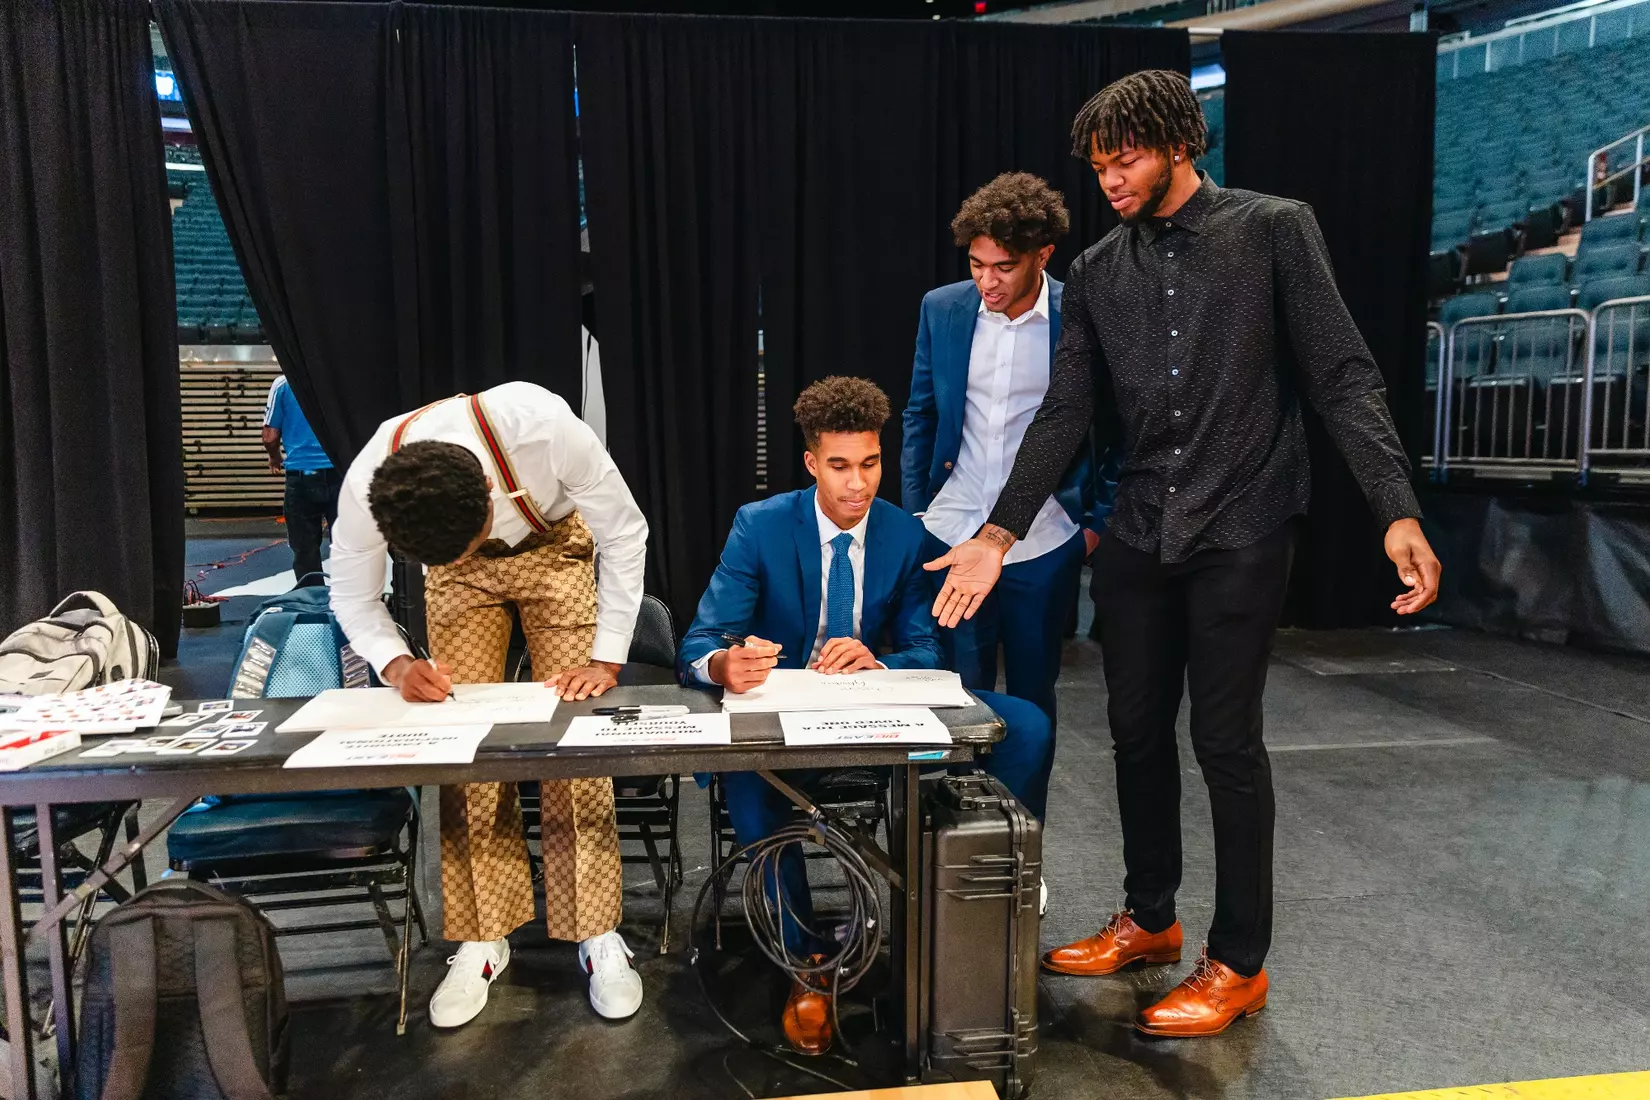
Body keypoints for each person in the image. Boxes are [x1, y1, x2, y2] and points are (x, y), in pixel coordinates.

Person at [925, 70, 1443, 1039]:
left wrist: (1394, 508)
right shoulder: (1102, 272)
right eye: (1098, 165)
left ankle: (1239, 961)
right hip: (1139, 528)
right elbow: (1068, 409)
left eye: (1123, 158)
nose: (1109, 179)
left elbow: (1340, 372)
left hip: (1243, 522)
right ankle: (1151, 916)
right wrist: (996, 532)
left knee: (1225, 742)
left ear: (1176, 142)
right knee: (1130, 732)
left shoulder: (1273, 227)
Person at [678, 376, 1054, 1057]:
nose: (859, 483)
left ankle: (979, 911)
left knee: (1025, 723)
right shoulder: (759, 526)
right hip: (786, 724)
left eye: (872, 463)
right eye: (842, 466)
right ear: (812, 464)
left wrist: (879, 663)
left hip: (878, 718)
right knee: (750, 781)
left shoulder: (902, 535)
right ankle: (807, 967)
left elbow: (924, 646)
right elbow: (700, 642)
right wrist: (725, 664)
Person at [328, 381, 650, 1028]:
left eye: (475, 536)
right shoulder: (372, 478)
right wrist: (395, 661)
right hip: (458, 583)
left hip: (554, 548)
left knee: (572, 735)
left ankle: (596, 934)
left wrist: (608, 656)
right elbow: (352, 589)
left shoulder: (544, 427)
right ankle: (482, 937)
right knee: (462, 737)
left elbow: (624, 532)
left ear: (486, 495)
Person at [902, 171, 1113, 740]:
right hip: (950, 528)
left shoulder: (1083, 314)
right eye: (976, 264)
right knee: (951, 699)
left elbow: (1116, 430)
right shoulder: (942, 308)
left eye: (1004, 266)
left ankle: (1026, 824)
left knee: (1031, 699)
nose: (986, 282)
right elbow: (920, 414)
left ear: (1042, 255)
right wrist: (918, 511)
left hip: (1044, 537)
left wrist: (1092, 523)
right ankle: (954, 827)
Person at [263, 375, 341, 587]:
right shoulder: (339, 377)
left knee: (305, 548)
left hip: (301, 475)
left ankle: (312, 600)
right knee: (348, 546)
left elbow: (269, 437)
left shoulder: (283, 384)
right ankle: (353, 603)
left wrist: (275, 457)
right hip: (341, 473)